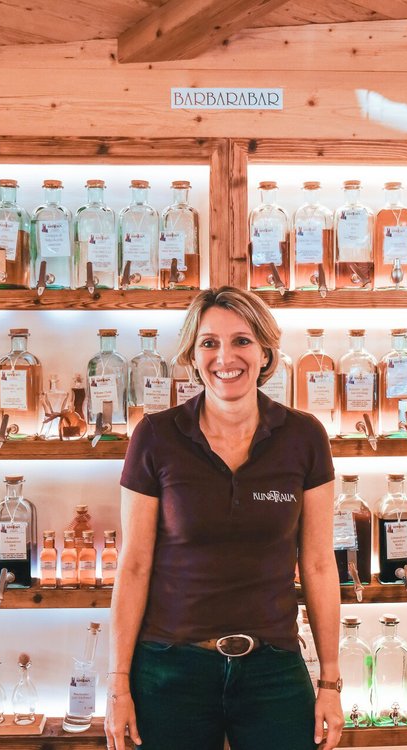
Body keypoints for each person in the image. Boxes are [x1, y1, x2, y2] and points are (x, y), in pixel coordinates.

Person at [105, 286, 343, 750]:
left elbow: (317, 564)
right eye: (209, 343)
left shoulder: (304, 436)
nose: (225, 357)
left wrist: (330, 682)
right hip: (171, 669)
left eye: (241, 341)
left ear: (265, 351)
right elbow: (133, 566)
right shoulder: (155, 437)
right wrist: (118, 685)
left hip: (273, 668)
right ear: (193, 356)